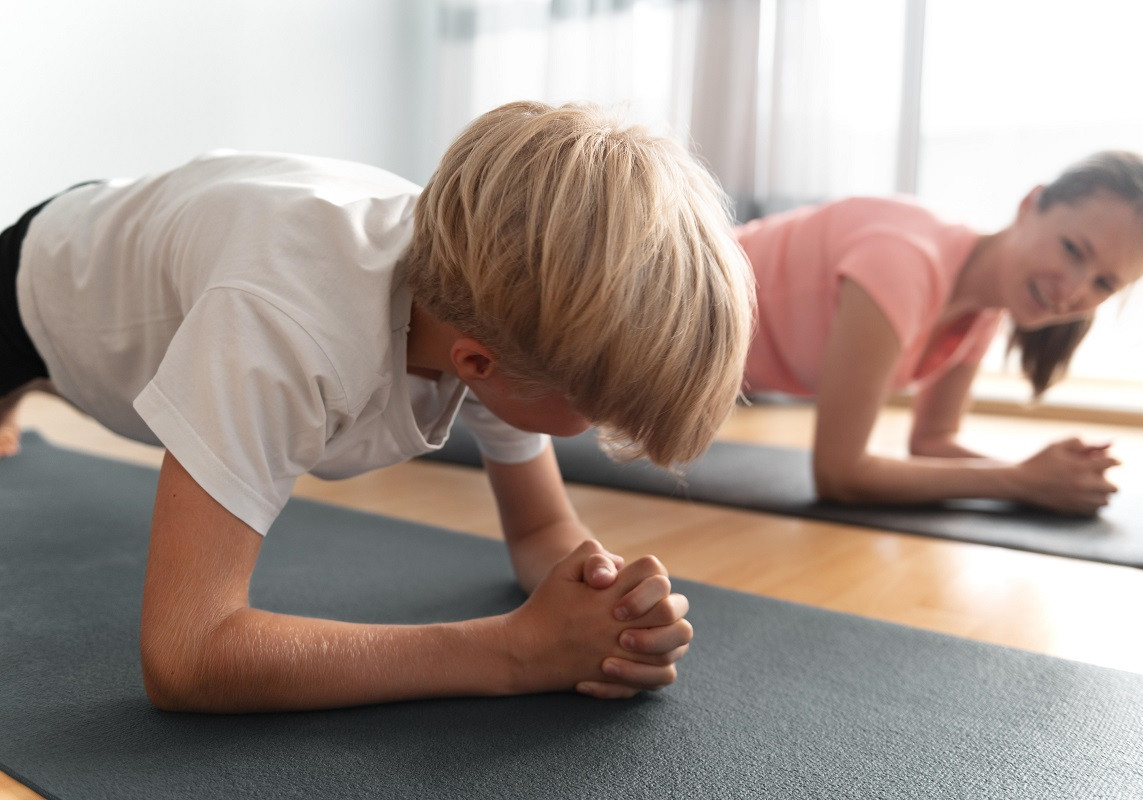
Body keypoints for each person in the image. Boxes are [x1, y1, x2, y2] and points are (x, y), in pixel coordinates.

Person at [0, 101, 756, 712]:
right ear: (477, 364)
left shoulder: (489, 295)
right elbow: (187, 655)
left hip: (161, 238)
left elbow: (540, 528)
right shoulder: (286, 326)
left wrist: (601, 605)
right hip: (45, 276)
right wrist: (514, 652)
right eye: (597, 409)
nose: (598, 425)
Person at [738, 151, 1143, 516]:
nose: (1072, 291)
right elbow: (839, 473)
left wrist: (1044, 475)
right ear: (1031, 204)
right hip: (670, 306)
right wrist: (1021, 482)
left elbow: (932, 441)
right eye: (1071, 249)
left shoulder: (984, 308)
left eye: (1104, 284)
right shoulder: (904, 261)